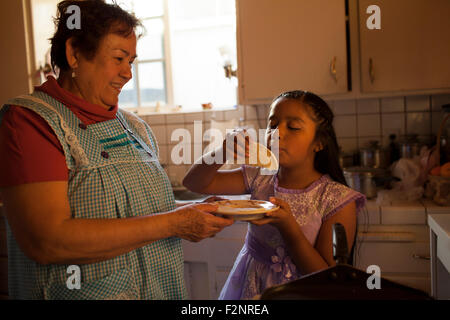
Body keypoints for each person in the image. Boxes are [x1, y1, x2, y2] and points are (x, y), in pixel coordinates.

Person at [0, 0, 233, 300]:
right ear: (74, 54)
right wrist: (176, 222)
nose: (128, 74)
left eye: (131, 61)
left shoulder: (135, 128)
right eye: (119, 58)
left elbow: (140, 217)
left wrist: (193, 213)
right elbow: (48, 241)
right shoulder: (30, 122)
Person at [183, 90, 366, 299]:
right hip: (251, 288)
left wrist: (287, 226)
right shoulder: (260, 176)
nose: (277, 132)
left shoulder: (336, 199)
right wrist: (222, 152)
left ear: (319, 143)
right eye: (272, 124)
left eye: (293, 127)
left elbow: (327, 278)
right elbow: (194, 183)